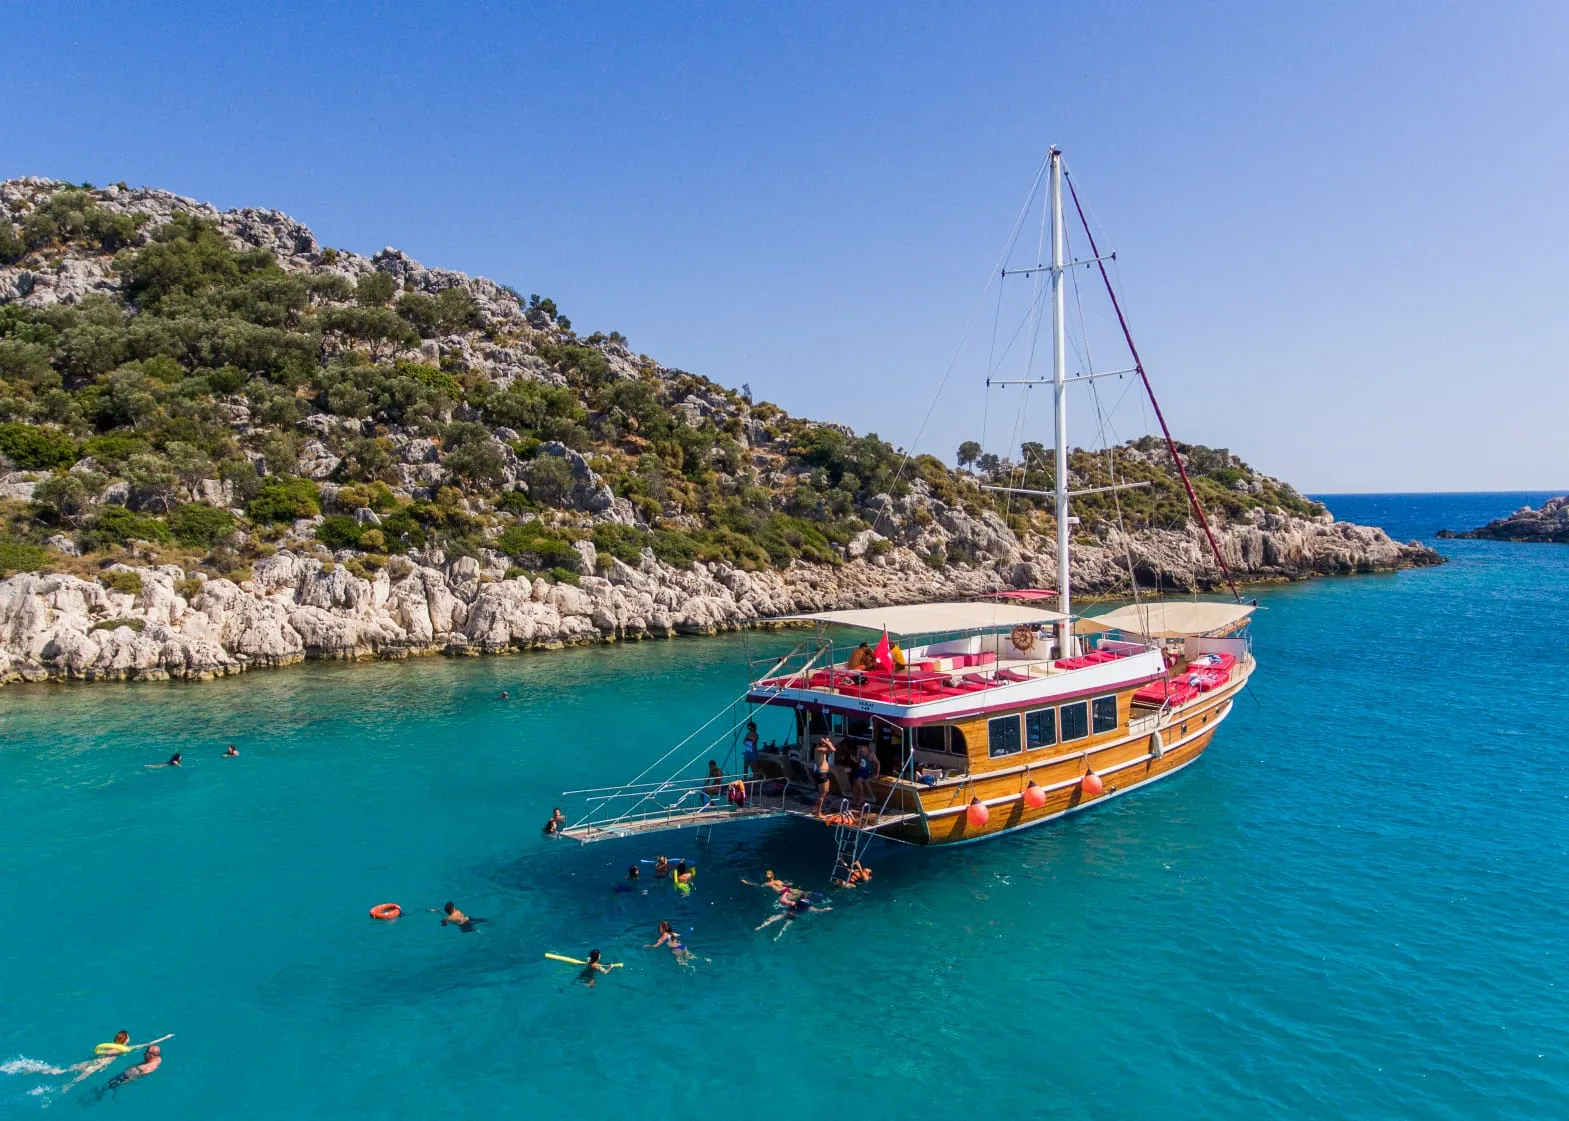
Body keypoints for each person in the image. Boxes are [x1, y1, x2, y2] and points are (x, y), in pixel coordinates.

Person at [755, 888, 831, 940]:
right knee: (784, 927)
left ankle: (760, 927)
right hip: (794, 916)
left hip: (787, 912)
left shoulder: (795, 902)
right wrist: (825, 909)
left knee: (774, 918)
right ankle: (777, 937)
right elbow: (817, 910)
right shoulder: (808, 906)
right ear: (807, 899)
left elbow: (783, 901)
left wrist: (786, 892)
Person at [94, 1044, 161, 1099]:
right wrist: (148, 1045)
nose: (144, 1054)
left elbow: (136, 1077)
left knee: (109, 1085)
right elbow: (154, 1051)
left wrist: (124, 1082)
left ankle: (98, 1095)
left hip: (128, 1075)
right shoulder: (158, 1059)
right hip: (133, 1071)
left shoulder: (148, 1068)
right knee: (109, 1084)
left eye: (146, 1053)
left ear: (151, 1056)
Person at [850, 742, 880, 808]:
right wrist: (854, 759)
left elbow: (878, 763)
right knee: (854, 781)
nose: (861, 749)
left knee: (858, 780)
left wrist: (877, 774)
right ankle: (854, 798)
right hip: (861, 770)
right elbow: (859, 762)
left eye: (863, 747)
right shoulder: (860, 752)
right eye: (861, 747)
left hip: (868, 771)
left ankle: (862, 798)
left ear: (867, 747)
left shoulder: (871, 754)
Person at [812, 736, 835, 816]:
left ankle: (816, 807)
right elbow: (833, 749)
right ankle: (818, 812)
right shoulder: (819, 749)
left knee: (826, 791)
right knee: (822, 793)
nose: (827, 744)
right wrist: (828, 742)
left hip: (824, 773)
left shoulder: (822, 749)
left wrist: (826, 742)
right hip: (821, 773)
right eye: (825, 743)